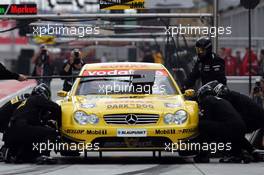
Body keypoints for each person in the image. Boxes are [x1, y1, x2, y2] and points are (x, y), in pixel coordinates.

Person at [204, 80, 264, 161]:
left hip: (254, 118)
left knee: (230, 129)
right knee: (234, 129)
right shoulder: (232, 96)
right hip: (257, 118)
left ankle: (236, 154)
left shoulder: (229, 99)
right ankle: (252, 152)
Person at [3, 83, 61, 163]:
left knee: (33, 135)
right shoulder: (37, 98)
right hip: (23, 127)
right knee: (52, 133)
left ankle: (12, 153)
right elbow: (57, 107)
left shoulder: (26, 102)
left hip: (10, 131)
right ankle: (43, 155)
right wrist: (50, 119)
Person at [195, 84, 247, 163]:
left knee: (202, 125)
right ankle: (237, 155)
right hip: (240, 127)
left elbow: (206, 119)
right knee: (213, 126)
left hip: (230, 127)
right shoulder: (221, 100)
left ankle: (203, 155)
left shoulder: (207, 100)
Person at [0, 94, 30, 161]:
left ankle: (5, 149)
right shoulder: (28, 100)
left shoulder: (24, 97)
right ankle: (6, 150)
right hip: (4, 119)